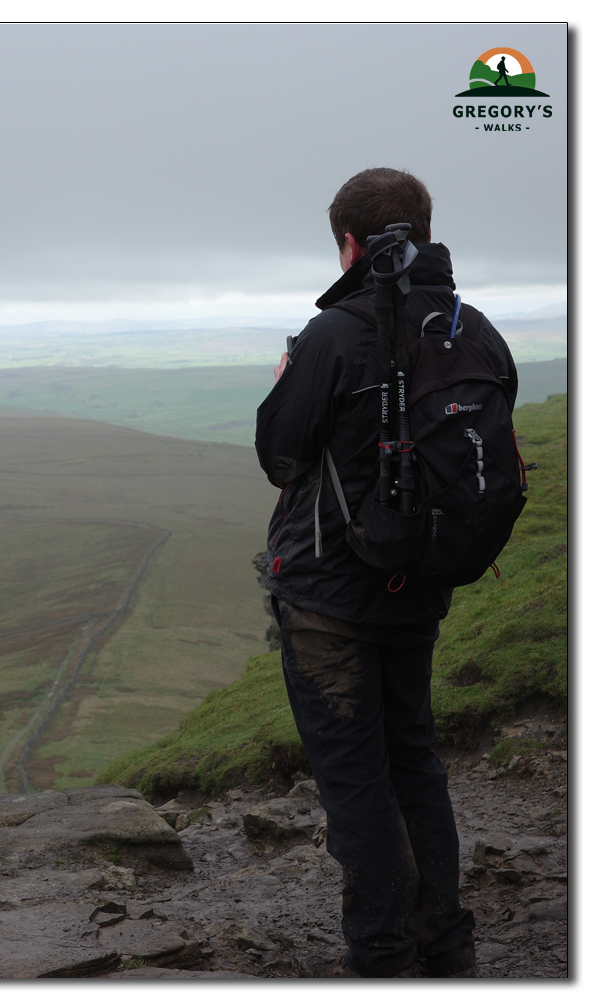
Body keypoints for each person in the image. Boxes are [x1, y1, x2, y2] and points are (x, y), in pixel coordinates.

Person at [255, 168, 517, 979]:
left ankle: (380, 957)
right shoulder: (474, 331)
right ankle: (447, 945)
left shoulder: (333, 335)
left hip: (329, 599)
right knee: (414, 758)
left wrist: (284, 390)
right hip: (421, 586)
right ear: (423, 229)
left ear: (350, 243)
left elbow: (279, 455)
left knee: (356, 781)